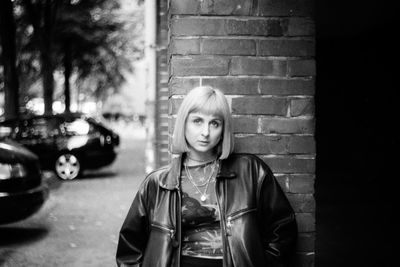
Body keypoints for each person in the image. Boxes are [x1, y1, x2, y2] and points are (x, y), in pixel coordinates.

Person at [116, 86, 297, 267]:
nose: (205, 132)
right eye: (197, 121)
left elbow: (283, 228)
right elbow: (129, 251)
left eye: (215, 123)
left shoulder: (251, 171)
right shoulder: (157, 183)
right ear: (184, 123)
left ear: (223, 130)